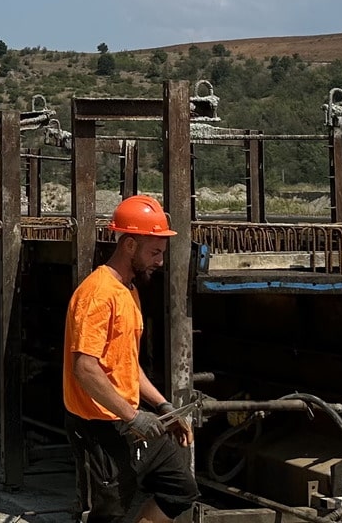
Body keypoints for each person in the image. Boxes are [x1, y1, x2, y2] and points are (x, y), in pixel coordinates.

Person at [63, 194, 197, 523]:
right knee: (108, 513)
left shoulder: (129, 290)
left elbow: (127, 365)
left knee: (180, 489)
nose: (160, 261)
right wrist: (133, 417)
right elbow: (85, 368)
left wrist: (163, 407)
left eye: (162, 253)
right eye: (155, 252)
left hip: (127, 420)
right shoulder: (98, 294)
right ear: (129, 245)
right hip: (100, 428)